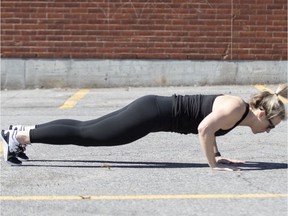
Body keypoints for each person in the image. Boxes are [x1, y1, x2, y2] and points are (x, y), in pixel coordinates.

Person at [1, 84, 287, 171]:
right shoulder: (236, 108)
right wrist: (213, 166)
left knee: (85, 127)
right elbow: (203, 129)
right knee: (88, 135)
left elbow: (212, 128)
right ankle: (21, 137)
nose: (272, 129)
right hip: (150, 114)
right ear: (263, 113)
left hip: (151, 108)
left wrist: (218, 154)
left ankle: (20, 132)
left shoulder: (238, 112)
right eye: (274, 124)